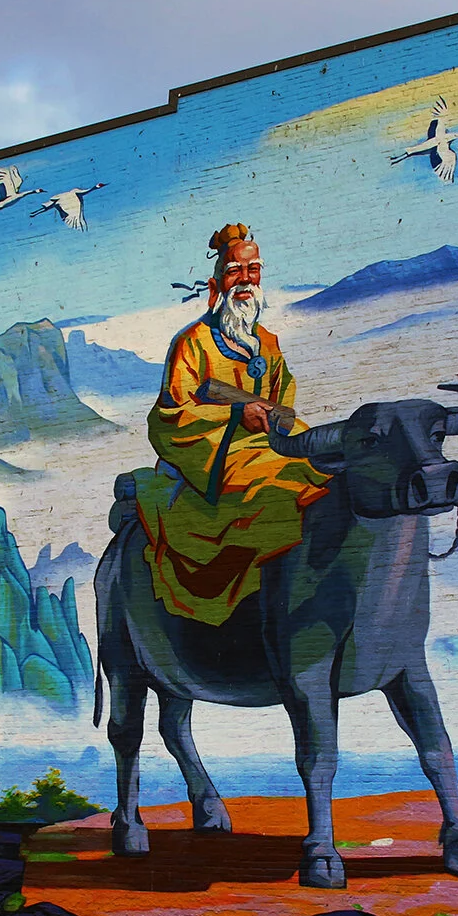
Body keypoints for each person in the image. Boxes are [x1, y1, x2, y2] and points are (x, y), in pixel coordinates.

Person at [133, 224, 329, 625]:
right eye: (234, 270)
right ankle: (256, 611)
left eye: (252, 269)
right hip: (214, 459)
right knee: (273, 494)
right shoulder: (193, 343)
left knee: (325, 471)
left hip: (267, 448)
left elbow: (283, 400)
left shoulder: (269, 343)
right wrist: (237, 415)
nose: (244, 280)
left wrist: (275, 419)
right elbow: (172, 417)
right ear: (216, 281)